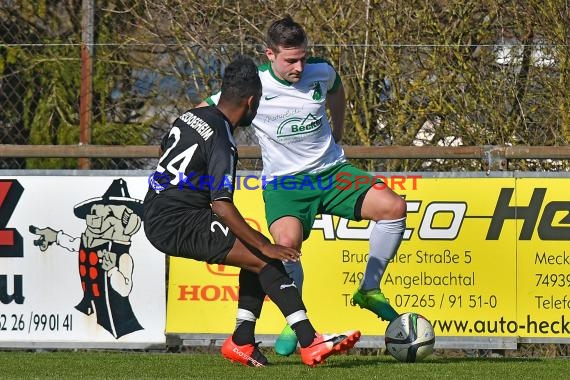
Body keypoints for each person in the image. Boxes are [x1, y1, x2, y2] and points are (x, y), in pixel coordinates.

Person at [199, 16, 407, 357]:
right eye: (290, 60)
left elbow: (338, 89)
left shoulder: (321, 73)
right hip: (285, 185)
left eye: (303, 58)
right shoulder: (255, 86)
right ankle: (293, 322)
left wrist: (338, 130)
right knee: (284, 246)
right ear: (269, 54)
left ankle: (369, 288)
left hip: (332, 172)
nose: (299, 67)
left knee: (394, 208)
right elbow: (206, 110)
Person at [143, 55, 360, 367]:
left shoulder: (193, 115)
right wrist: (264, 245)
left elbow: (165, 147)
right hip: (176, 221)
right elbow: (221, 205)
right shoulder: (222, 138)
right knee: (263, 254)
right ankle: (310, 341)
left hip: (158, 208)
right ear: (251, 101)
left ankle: (242, 340)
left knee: (252, 252)